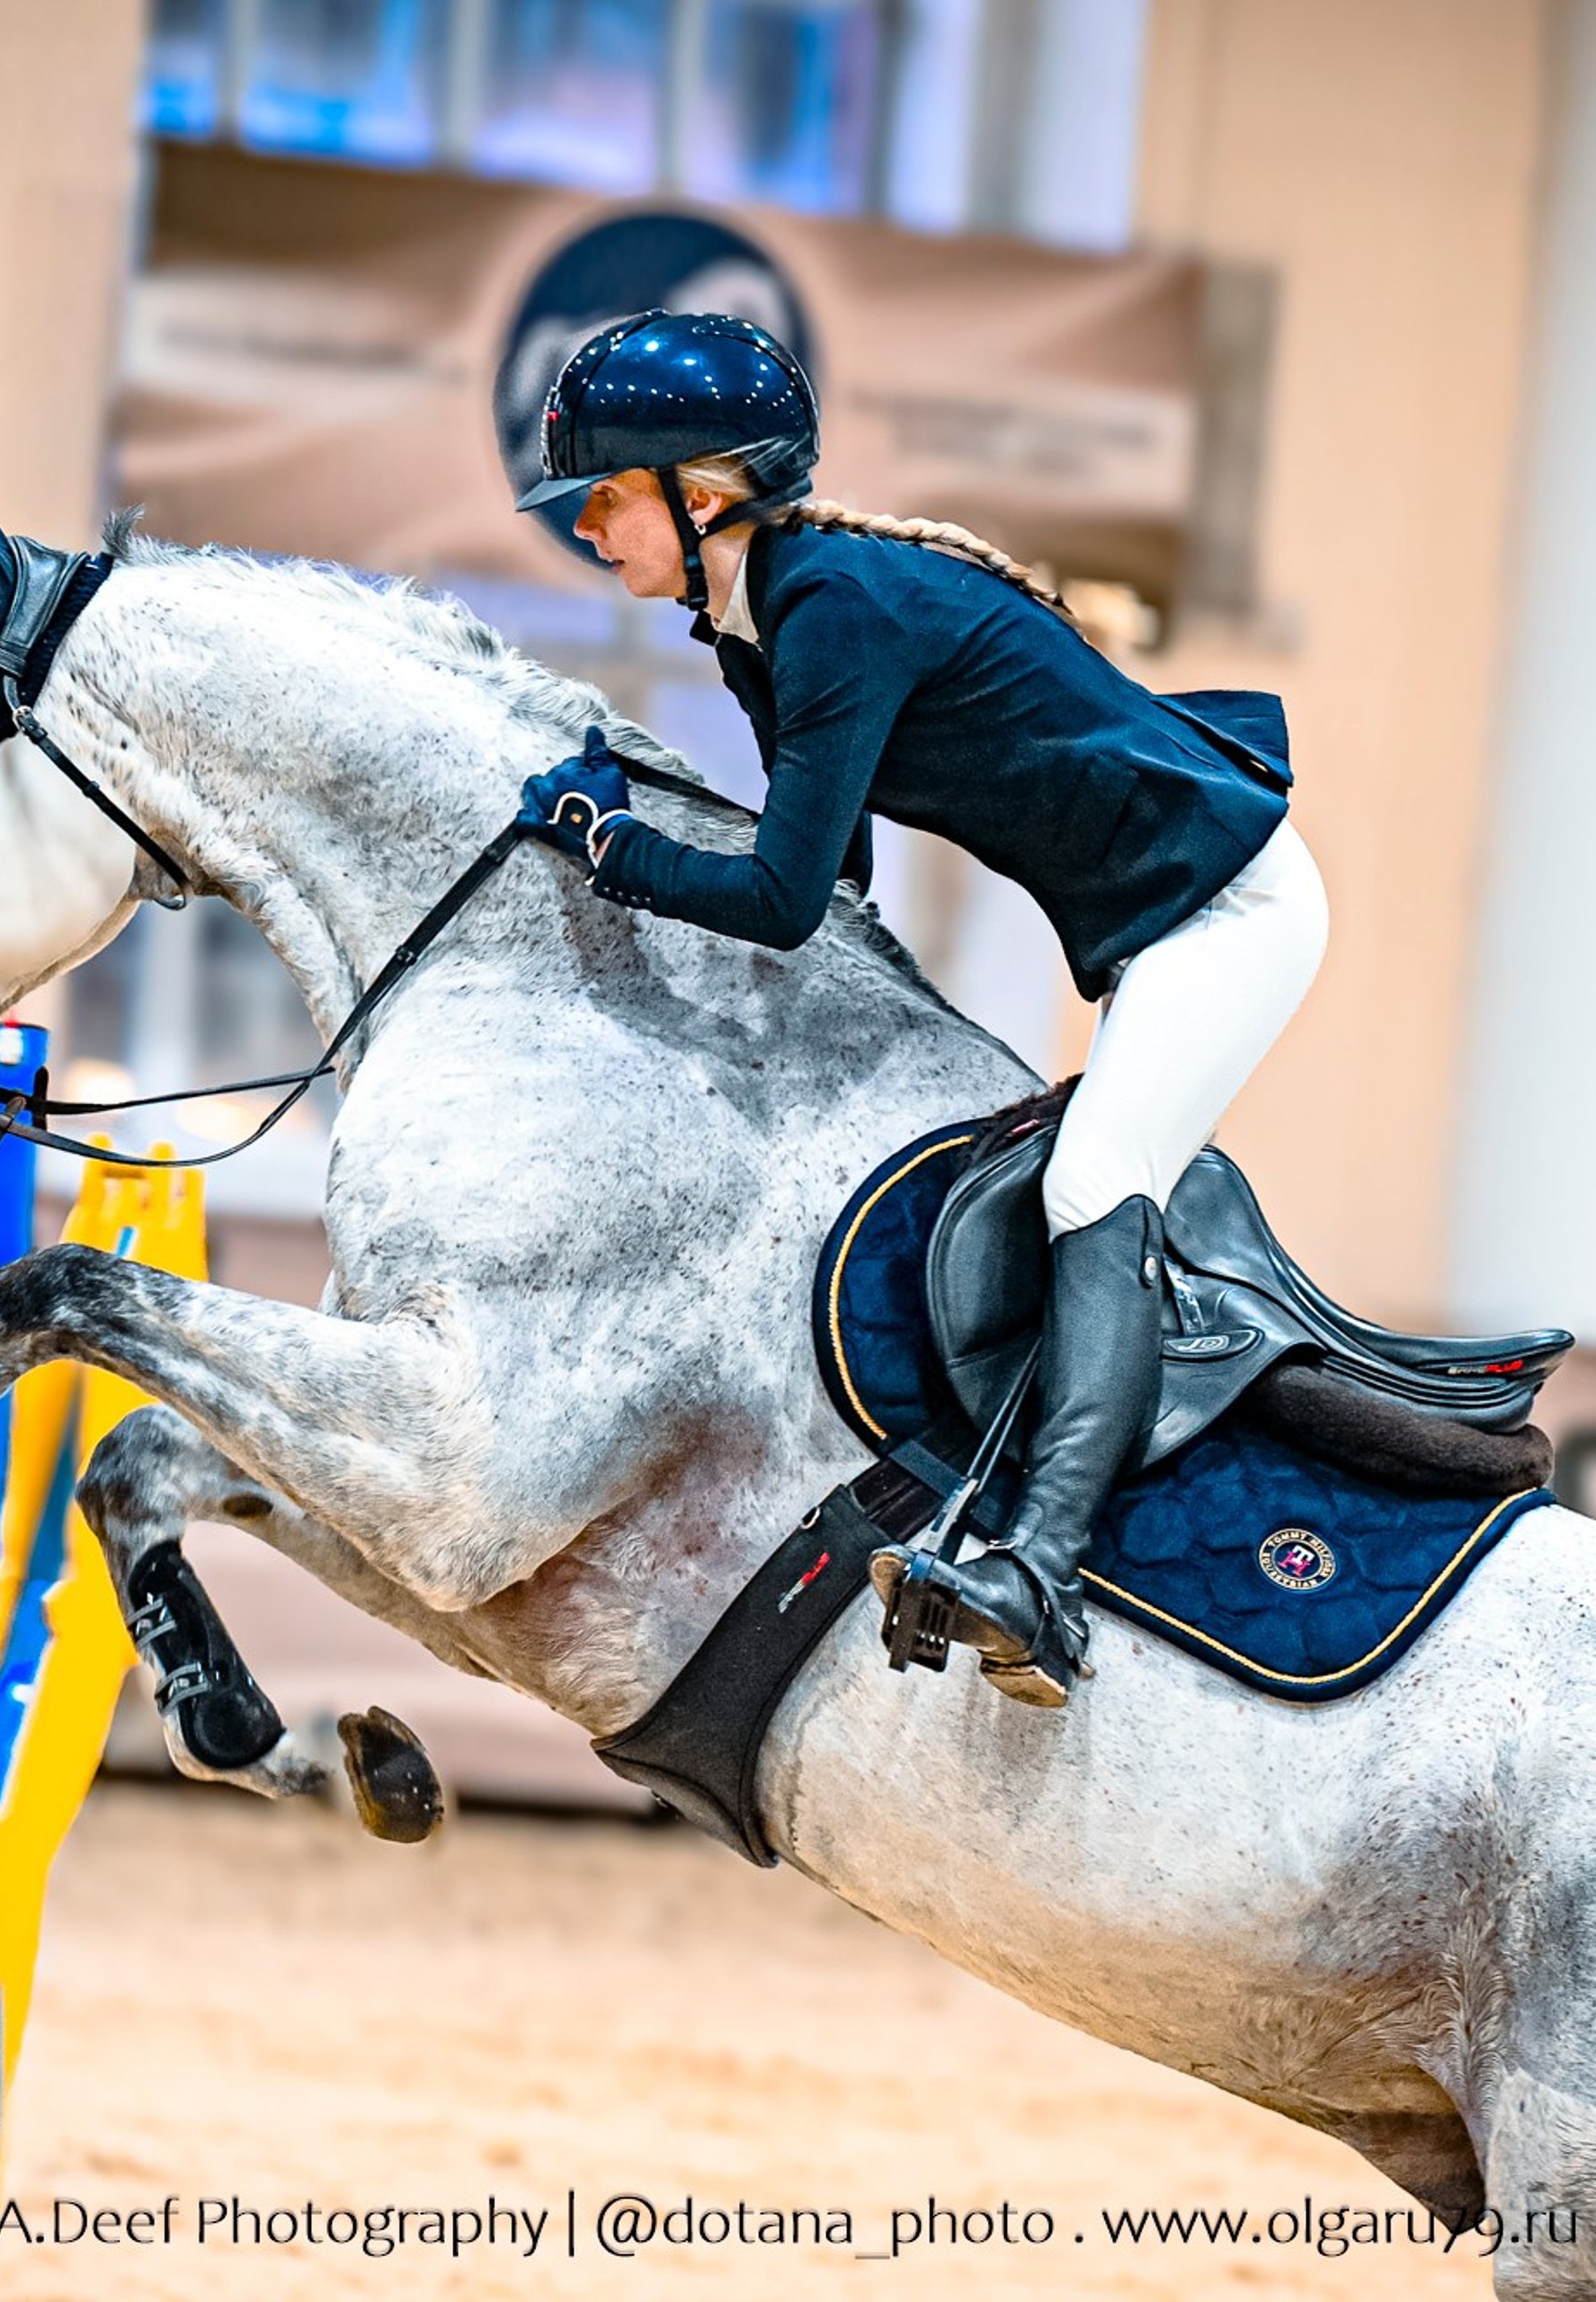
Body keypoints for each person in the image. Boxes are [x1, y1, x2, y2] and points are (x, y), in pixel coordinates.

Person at [513, 310, 1327, 1709]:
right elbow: (833, 873)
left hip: (1235, 910)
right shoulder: (754, 620)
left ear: (700, 497)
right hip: (1164, 919)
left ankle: (1044, 1580)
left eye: (602, 498)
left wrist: (609, 848)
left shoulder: (833, 609)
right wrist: (634, 818)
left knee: (1094, 1184)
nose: (586, 528)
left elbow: (776, 901)